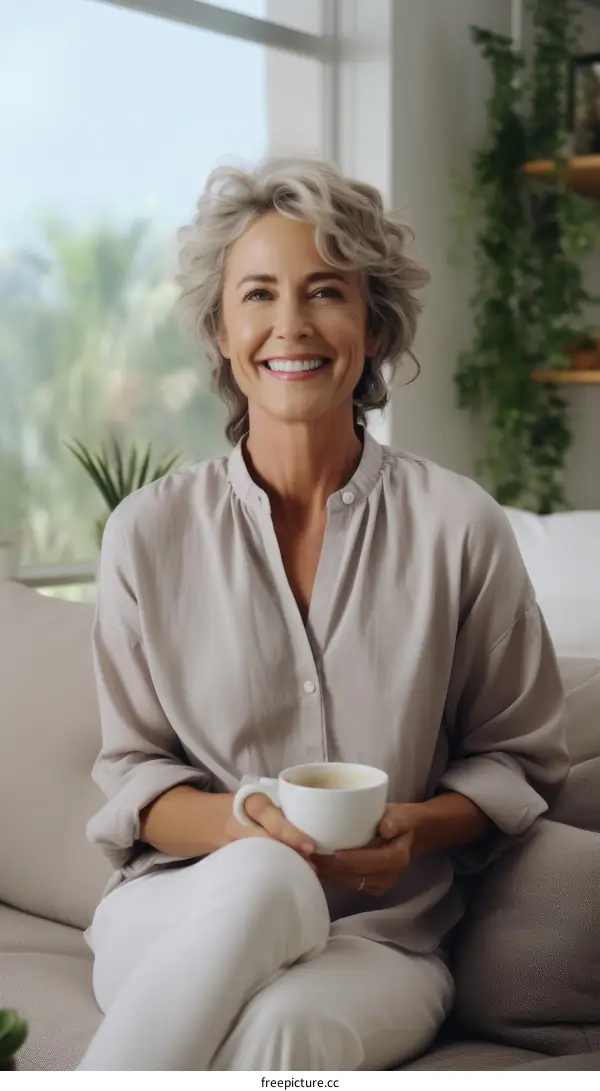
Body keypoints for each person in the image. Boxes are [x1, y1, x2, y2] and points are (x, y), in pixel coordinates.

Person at [78, 157, 570, 1072]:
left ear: (373, 322)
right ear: (221, 329)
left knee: (283, 1035)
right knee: (263, 873)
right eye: (258, 294)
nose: (291, 325)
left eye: (326, 292)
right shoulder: (147, 533)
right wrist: (247, 827)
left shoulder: (459, 525)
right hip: (177, 909)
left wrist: (416, 829)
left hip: (380, 939)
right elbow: (135, 775)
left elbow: (518, 756)